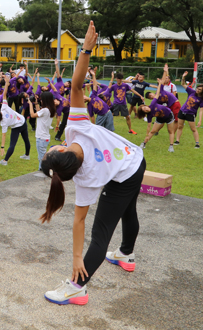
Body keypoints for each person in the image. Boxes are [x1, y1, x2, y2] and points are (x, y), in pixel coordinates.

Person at [39, 21, 146, 306]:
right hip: (133, 161)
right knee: (123, 213)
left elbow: (79, 220)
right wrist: (86, 48)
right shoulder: (78, 128)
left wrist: (77, 257)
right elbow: (76, 85)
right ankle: (125, 254)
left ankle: (77, 287)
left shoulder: (84, 178)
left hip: (128, 168)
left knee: (103, 231)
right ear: (60, 147)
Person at [0, 75, 31, 166]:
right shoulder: (4, 107)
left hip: (17, 126)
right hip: (23, 121)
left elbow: (4, 135)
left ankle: (5, 161)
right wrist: (6, 83)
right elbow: (5, 94)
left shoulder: (3, 122)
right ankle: (27, 155)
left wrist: (2, 147)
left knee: (12, 144)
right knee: (26, 140)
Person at [137, 83, 176, 152]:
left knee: (170, 131)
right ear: (145, 113)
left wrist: (160, 84)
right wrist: (146, 134)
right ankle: (143, 144)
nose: (146, 109)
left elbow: (157, 94)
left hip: (169, 115)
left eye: (145, 107)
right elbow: (149, 126)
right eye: (144, 110)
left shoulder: (152, 104)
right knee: (152, 131)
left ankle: (171, 146)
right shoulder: (149, 115)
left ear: (147, 105)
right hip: (160, 118)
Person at [174, 71, 203, 149]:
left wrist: (200, 120)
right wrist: (183, 77)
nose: (197, 90)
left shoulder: (202, 99)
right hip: (182, 111)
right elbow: (183, 84)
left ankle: (197, 143)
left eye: (200, 89)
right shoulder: (192, 91)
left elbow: (201, 110)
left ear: (202, 91)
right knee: (180, 126)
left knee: (193, 129)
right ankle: (177, 140)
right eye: (197, 88)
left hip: (190, 114)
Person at [30, 91, 56, 170]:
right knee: (41, 157)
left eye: (42, 99)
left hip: (41, 138)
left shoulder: (45, 110)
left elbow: (33, 115)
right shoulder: (50, 109)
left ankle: (45, 171)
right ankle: (43, 169)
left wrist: (30, 104)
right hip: (45, 137)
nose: (41, 100)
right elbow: (39, 112)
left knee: (42, 158)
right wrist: (36, 104)